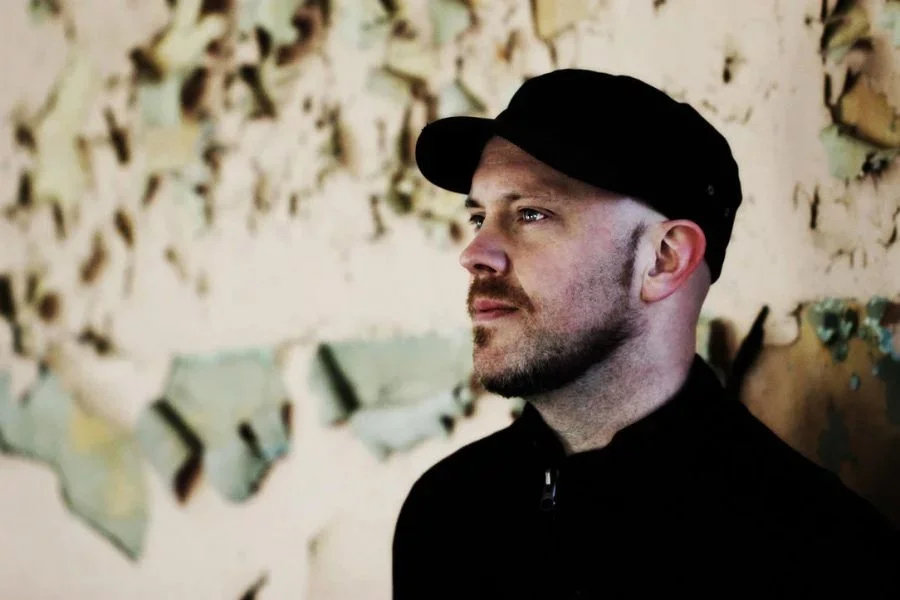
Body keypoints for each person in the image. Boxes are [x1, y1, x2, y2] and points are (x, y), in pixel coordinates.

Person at [391, 69, 900, 598]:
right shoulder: (448, 513)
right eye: (479, 218)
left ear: (664, 259)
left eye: (531, 213)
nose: (474, 254)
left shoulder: (816, 552)